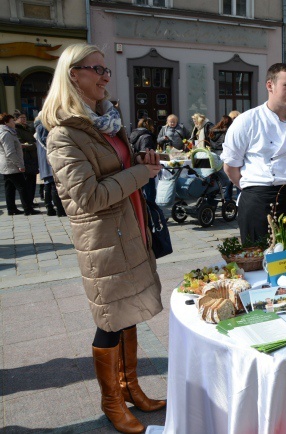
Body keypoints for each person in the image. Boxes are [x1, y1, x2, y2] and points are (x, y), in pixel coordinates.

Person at [40, 43, 165, 433]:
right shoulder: (63, 135)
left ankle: (131, 389)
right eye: (97, 69)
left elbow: (119, 172)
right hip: (103, 239)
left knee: (129, 313)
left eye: (107, 70)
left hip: (130, 227)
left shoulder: (105, 121)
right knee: (110, 318)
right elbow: (88, 196)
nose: (105, 77)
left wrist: (140, 164)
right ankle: (111, 400)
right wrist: (140, 175)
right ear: (72, 74)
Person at [221, 63, 286, 244]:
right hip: (258, 200)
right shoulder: (247, 121)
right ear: (269, 85)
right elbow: (230, 166)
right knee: (258, 260)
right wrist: (252, 188)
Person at [0, 113, 38, 215]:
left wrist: (19, 145)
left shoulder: (7, 132)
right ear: (6, 122)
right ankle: (28, 209)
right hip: (11, 165)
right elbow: (10, 152)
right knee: (23, 187)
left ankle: (11, 209)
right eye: (12, 121)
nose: (14, 122)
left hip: (7, 165)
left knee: (10, 187)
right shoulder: (6, 133)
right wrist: (20, 165)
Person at [34, 117, 66, 217]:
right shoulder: (43, 126)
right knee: (52, 185)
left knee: (49, 184)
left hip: (46, 157)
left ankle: (50, 208)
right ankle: (58, 209)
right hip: (48, 158)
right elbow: (46, 141)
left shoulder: (41, 126)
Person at [14, 110, 39, 209]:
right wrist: (33, 145)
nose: (24, 119)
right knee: (27, 182)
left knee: (32, 181)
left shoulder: (28, 128)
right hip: (25, 157)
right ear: (16, 119)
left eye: (24, 117)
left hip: (32, 157)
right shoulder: (16, 129)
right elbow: (21, 144)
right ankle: (27, 202)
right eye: (21, 118)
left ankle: (31, 201)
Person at [129, 117, 157, 200]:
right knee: (149, 193)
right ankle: (151, 210)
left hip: (135, 165)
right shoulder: (146, 136)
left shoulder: (133, 134)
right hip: (145, 166)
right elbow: (145, 152)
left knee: (139, 191)